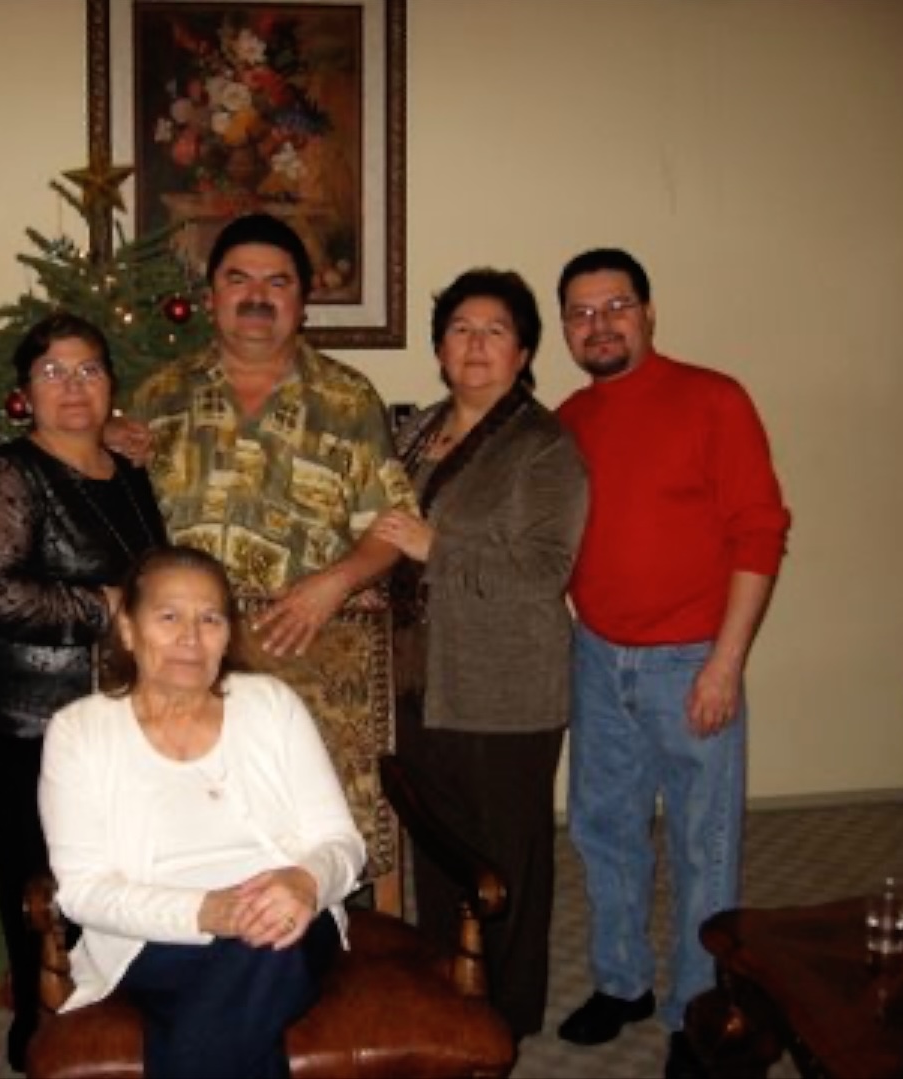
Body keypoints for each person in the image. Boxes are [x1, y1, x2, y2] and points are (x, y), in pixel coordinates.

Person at [551, 249, 791, 1078]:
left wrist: (724, 663)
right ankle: (621, 982)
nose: (599, 324)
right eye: (580, 312)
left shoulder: (713, 399)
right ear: (565, 329)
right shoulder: (568, 420)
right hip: (596, 654)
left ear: (648, 313)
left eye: (615, 305)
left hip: (691, 659)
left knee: (702, 843)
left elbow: (759, 531)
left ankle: (699, 1007)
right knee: (603, 830)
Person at [39, 545, 367, 1078]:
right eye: (169, 617)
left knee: (265, 945)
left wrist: (305, 882)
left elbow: (341, 842)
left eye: (210, 619)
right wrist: (207, 911)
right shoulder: (79, 732)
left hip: (289, 919)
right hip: (153, 940)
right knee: (248, 979)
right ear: (128, 629)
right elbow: (84, 891)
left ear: (228, 634)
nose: (191, 638)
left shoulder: (271, 704)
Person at [370, 268, 588, 1041]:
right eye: (460, 328)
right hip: (419, 680)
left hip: (503, 687)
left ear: (522, 351)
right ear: (438, 348)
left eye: (495, 330)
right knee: (439, 848)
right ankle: (449, 993)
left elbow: (542, 571)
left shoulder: (542, 446)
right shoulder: (415, 431)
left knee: (504, 862)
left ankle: (505, 1015)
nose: (475, 344)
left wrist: (437, 546)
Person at [0, 312, 168, 1073]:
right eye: (52, 372)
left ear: (111, 385)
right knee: (40, 878)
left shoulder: (128, 472)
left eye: (88, 370)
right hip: (28, 718)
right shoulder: (11, 470)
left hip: (116, 712)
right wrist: (103, 605)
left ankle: (108, 1018)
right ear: (25, 393)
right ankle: (39, 1028)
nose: (72, 386)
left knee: (117, 869)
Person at [123, 212, 415, 657]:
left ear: (302, 301)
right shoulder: (158, 396)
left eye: (277, 283)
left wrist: (336, 584)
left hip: (309, 651)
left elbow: (392, 527)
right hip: (180, 653)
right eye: (238, 280)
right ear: (210, 297)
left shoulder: (349, 400)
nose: (256, 297)